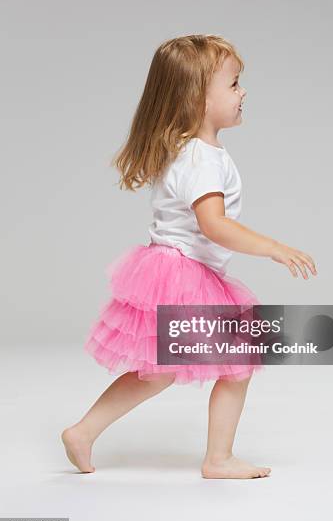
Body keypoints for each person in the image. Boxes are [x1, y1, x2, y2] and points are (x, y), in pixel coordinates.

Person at [61, 34, 317, 480]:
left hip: (168, 269)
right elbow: (213, 224)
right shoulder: (203, 160)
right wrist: (273, 247)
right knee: (238, 364)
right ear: (199, 98)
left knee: (158, 372)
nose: (243, 93)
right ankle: (217, 459)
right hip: (185, 275)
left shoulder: (186, 149)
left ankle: (83, 431)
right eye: (234, 84)